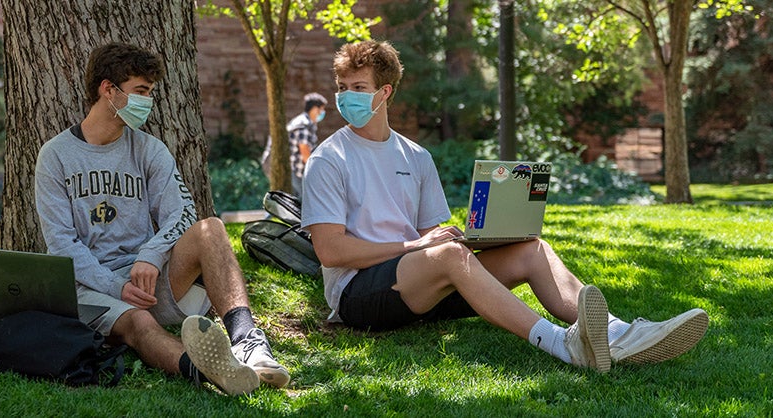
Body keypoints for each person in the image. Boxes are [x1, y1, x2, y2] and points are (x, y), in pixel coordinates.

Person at [301, 40, 709, 372]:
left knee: (531, 249)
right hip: (358, 295)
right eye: (342, 88)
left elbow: (429, 235)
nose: (345, 97)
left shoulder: (416, 157)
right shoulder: (328, 159)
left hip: (418, 284)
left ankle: (620, 334)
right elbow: (331, 251)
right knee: (447, 254)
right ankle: (564, 345)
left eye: (358, 88)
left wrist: (473, 239)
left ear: (384, 92)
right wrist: (417, 248)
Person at [35, 43, 289, 394]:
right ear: (108, 90)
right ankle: (214, 373)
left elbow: (181, 213)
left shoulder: (149, 149)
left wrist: (151, 254)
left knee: (210, 229)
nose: (148, 103)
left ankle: (248, 341)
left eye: (151, 93)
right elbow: (61, 243)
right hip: (91, 288)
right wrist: (115, 286)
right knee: (138, 323)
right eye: (140, 92)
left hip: (148, 283)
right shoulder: (56, 156)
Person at [286, 93, 328, 196]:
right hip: (297, 172)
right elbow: (304, 151)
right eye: (321, 109)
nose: (322, 113)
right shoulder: (303, 125)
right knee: (308, 200)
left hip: (297, 171)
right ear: (314, 109)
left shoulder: (307, 123)